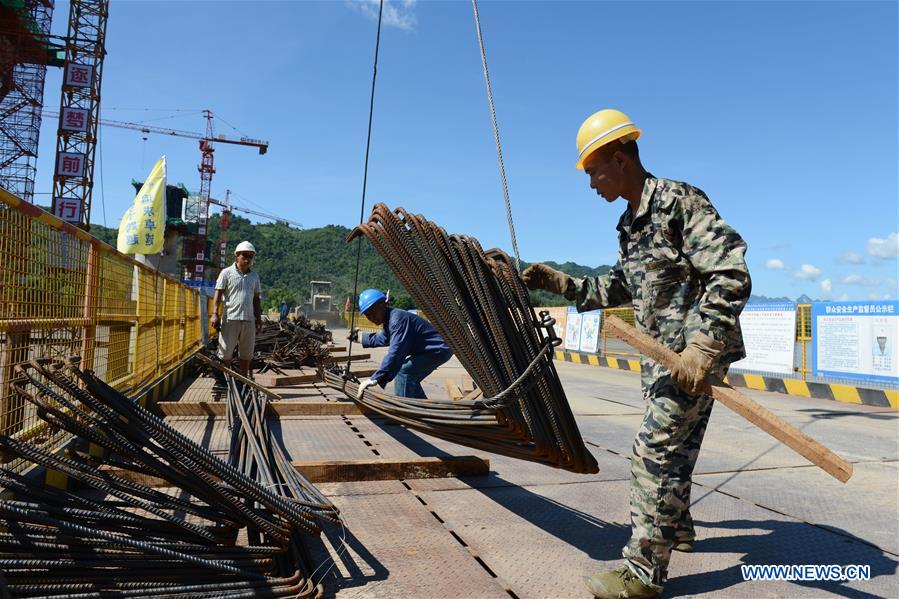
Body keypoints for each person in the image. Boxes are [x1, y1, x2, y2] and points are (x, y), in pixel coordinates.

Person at [522, 109, 751, 599]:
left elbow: (729, 272)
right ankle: (676, 529)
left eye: (594, 172)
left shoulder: (677, 202)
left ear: (620, 160)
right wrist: (558, 283)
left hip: (690, 358)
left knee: (652, 455)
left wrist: (702, 348)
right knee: (678, 451)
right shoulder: (630, 224)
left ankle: (642, 573)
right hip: (664, 360)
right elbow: (620, 286)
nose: (591, 184)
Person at [349, 289, 453, 399]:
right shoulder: (389, 320)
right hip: (431, 350)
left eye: (373, 311)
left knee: (404, 372)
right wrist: (359, 337)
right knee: (410, 379)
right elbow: (384, 338)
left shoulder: (397, 319)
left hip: (438, 349)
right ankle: (423, 410)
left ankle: (405, 411)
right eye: (367, 315)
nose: (371, 317)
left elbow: (396, 352)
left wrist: (374, 378)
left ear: (384, 304)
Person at [211, 241, 263, 376]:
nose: (248, 258)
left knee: (246, 353)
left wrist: (258, 318)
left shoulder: (254, 277)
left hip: (248, 319)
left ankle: (243, 379)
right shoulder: (226, 273)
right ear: (237, 256)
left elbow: (256, 299)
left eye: (251, 256)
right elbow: (218, 294)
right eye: (245, 255)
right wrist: (215, 314)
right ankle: (227, 379)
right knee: (226, 353)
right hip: (230, 318)